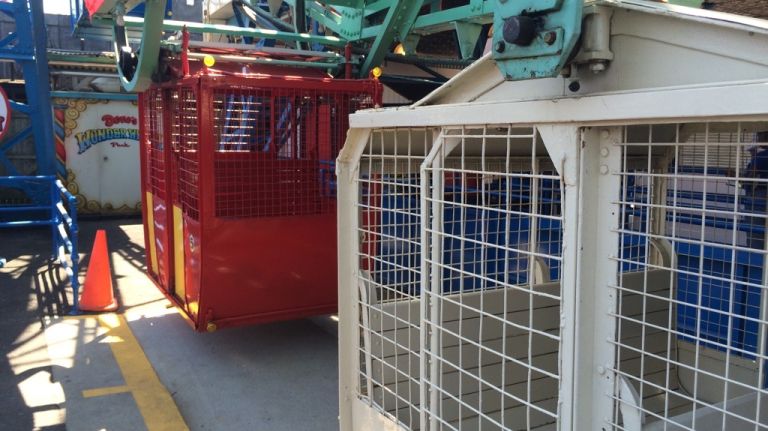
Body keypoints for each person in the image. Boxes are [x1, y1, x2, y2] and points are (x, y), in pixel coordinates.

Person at [742, 132, 768, 249]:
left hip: (759, 196)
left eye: (759, 135)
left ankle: (755, 257)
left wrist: (754, 157)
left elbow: (749, 179)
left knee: (755, 231)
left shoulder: (761, 157)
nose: (757, 138)